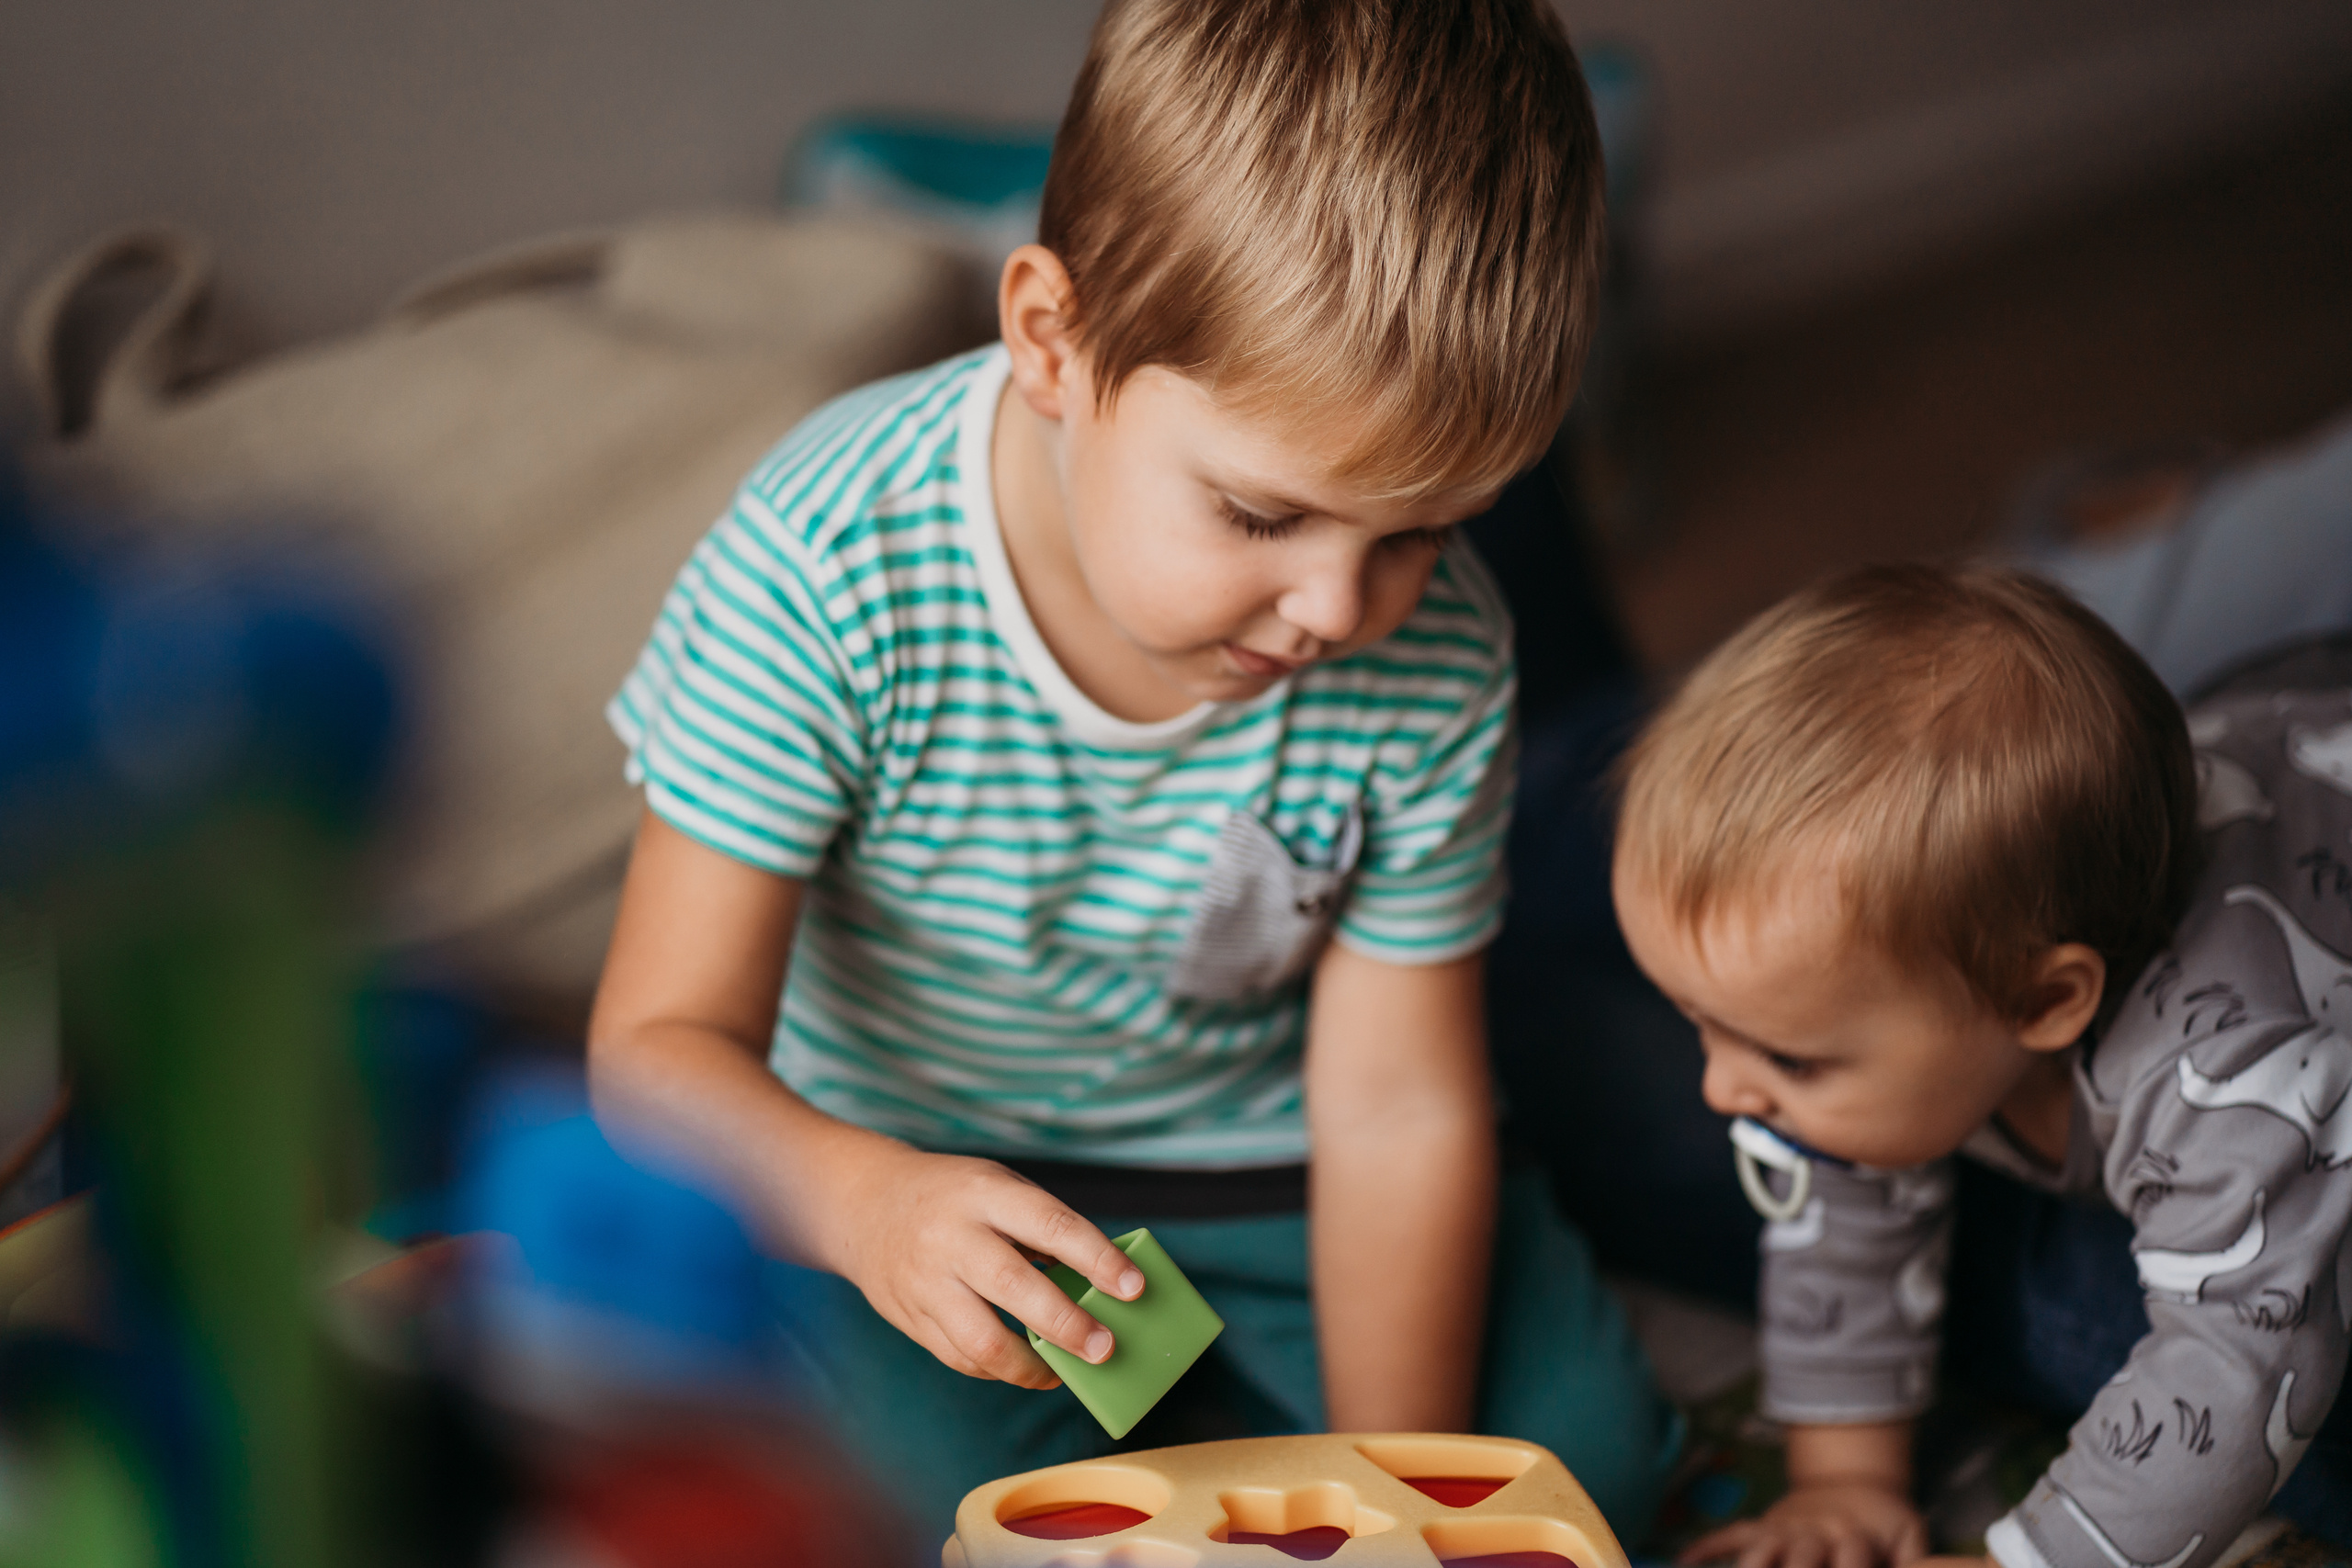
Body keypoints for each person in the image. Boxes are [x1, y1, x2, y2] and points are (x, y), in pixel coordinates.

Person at [586, 0, 1679, 1545]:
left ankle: (1212, 1432)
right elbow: (656, 1054)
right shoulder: (825, 567)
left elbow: (1393, 1101)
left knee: (1581, 1481)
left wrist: (1379, 1489)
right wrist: (868, 1208)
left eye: (1425, 529)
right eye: (1258, 516)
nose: (1338, 612)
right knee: (919, 1511)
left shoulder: (1435, 652)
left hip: (1266, 1161)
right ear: (1052, 340)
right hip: (927, 1180)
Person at [1609, 562, 2352, 1568]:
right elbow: (1841, 1197)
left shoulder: (2227, 1082)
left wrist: (2030, 1560)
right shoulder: (1896, 1011)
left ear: (2045, 1001)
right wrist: (1845, 1484)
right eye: (1700, 1022)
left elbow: (2239, 1365)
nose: (1721, 1087)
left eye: (1786, 1058)